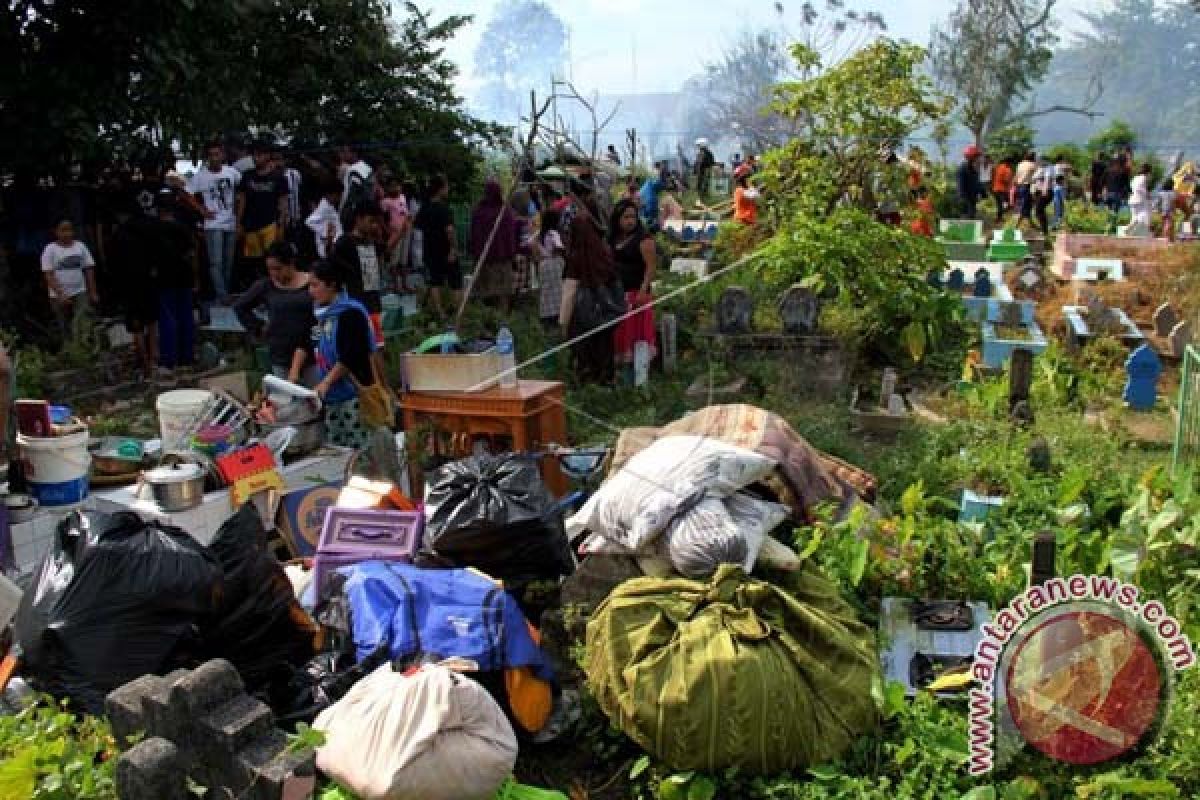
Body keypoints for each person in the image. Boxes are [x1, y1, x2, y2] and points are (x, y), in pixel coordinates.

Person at [310, 260, 379, 450]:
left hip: (354, 394)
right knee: (339, 452)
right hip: (333, 396)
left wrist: (326, 382)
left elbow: (351, 356)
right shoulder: (322, 314)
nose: (311, 291)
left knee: (361, 451)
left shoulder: (350, 313)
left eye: (315, 285)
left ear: (332, 285)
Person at [234, 241, 317, 385]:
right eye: (270, 269)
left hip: (313, 353)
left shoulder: (312, 283)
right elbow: (240, 306)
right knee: (286, 400)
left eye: (278, 268)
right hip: (281, 354)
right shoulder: (266, 286)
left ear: (291, 263)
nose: (274, 274)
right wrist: (258, 327)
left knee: (317, 400)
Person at [561, 202, 618, 385]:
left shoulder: (576, 257)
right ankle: (606, 382)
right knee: (604, 348)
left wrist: (563, 323)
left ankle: (587, 384)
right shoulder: (603, 254)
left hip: (582, 317)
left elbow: (570, 293)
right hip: (603, 313)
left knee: (584, 351)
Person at [108, 198, 162, 377]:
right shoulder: (148, 227)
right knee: (152, 320)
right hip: (148, 279)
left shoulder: (119, 234)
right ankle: (154, 358)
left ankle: (144, 363)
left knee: (136, 324)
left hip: (128, 284)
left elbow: (113, 263)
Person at [608, 199, 657, 382]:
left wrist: (643, 292)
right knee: (620, 335)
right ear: (617, 219)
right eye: (626, 217)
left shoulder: (643, 239)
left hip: (637, 294)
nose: (630, 221)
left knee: (638, 336)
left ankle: (640, 378)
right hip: (618, 295)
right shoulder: (614, 238)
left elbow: (651, 267)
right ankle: (622, 376)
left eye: (633, 217)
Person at [189, 141, 241, 302]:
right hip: (213, 224)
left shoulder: (232, 172)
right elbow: (186, 193)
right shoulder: (201, 176)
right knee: (216, 261)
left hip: (230, 222)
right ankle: (222, 295)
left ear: (223, 155)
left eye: (217, 154)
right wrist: (201, 209)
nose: (214, 158)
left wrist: (238, 216)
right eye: (211, 155)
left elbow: (240, 193)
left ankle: (224, 292)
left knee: (228, 261)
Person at [153, 189, 198, 375]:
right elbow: (192, 253)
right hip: (185, 277)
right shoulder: (183, 227)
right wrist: (196, 277)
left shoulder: (154, 229)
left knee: (167, 319)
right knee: (186, 317)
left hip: (164, 279)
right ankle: (187, 357)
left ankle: (169, 360)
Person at [236, 140, 289, 290]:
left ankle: (275, 289)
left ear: (267, 156)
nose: (256, 158)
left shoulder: (278, 177)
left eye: (259, 155)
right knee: (253, 262)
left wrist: (281, 225)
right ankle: (257, 291)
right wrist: (238, 223)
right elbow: (242, 201)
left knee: (272, 259)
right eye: (254, 155)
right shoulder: (247, 176)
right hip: (250, 224)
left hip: (270, 223)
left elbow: (283, 203)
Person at [332, 203, 387, 346]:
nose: (374, 226)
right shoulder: (345, 242)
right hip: (356, 301)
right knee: (362, 345)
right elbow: (333, 262)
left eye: (376, 222)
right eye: (371, 221)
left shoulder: (372, 241)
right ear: (359, 219)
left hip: (373, 300)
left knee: (377, 345)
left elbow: (384, 251)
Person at [41, 219, 98, 342]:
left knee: (83, 322)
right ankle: (70, 352)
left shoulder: (80, 246)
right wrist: (61, 294)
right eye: (63, 230)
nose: (67, 233)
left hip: (79, 291)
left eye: (69, 230)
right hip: (58, 295)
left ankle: (84, 348)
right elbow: (48, 274)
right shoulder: (50, 249)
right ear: (56, 232)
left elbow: (89, 269)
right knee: (64, 325)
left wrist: (92, 291)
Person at [413, 175, 460, 320]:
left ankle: (440, 313)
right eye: (446, 186)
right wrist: (453, 248)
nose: (448, 189)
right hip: (446, 250)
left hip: (430, 250)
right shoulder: (443, 209)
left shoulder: (424, 208)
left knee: (435, 281)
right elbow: (450, 230)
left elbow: (417, 225)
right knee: (455, 281)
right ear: (440, 189)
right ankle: (458, 311)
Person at [468, 179, 518, 311]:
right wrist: (512, 255)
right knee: (503, 292)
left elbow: (473, 235)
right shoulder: (504, 211)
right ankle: (502, 321)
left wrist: (474, 251)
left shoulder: (478, 211)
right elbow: (510, 235)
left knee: (484, 292)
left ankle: (488, 320)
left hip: (483, 258)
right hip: (501, 258)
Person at [534, 208, 565, 329]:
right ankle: (558, 318)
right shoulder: (554, 233)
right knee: (558, 291)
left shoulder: (540, 234)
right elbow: (559, 247)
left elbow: (532, 245)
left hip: (543, 264)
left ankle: (546, 318)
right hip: (555, 263)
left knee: (546, 292)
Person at [380, 177, 410, 279]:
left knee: (404, 259)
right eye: (392, 186)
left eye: (397, 185)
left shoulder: (402, 197)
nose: (395, 188)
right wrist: (387, 230)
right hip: (395, 233)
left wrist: (407, 223)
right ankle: (396, 285)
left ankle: (404, 284)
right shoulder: (385, 201)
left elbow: (406, 213)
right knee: (394, 260)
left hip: (405, 231)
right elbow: (381, 218)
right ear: (388, 188)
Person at [956, 145, 984, 219]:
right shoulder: (962, 169)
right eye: (977, 157)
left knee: (972, 216)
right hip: (966, 199)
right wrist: (961, 198)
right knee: (967, 217)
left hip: (972, 198)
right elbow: (960, 185)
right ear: (972, 158)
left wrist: (983, 192)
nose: (978, 159)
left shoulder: (973, 169)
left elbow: (977, 183)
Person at [1014, 151, 1038, 225]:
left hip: (1019, 186)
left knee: (1023, 205)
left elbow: (1016, 176)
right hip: (1027, 187)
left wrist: (1016, 184)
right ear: (1033, 157)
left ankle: (1030, 223)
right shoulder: (1033, 165)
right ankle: (1015, 225)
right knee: (1025, 206)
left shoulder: (1020, 164)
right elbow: (1036, 176)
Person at [1129, 163, 1153, 235]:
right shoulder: (1144, 178)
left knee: (1135, 218)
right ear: (1148, 171)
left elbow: (1132, 187)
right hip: (1140, 200)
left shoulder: (1135, 178)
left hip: (1132, 199)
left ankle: (1128, 230)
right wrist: (1148, 195)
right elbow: (1141, 189)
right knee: (1145, 217)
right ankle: (1147, 234)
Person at [1032, 157, 1054, 236]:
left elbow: (1047, 180)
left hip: (1045, 192)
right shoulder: (1040, 168)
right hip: (1038, 191)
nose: (1038, 162)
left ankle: (1045, 231)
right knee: (1038, 211)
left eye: (1039, 161)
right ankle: (1044, 229)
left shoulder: (1049, 168)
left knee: (1039, 210)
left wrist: (1045, 190)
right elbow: (1034, 179)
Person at [992, 157, 1014, 221]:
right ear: (1009, 163)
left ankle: (999, 217)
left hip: (995, 188)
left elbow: (994, 175)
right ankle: (1003, 215)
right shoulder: (1008, 169)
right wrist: (1010, 182)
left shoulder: (998, 167)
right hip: (1003, 189)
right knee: (1006, 203)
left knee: (999, 204)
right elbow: (1006, 180)